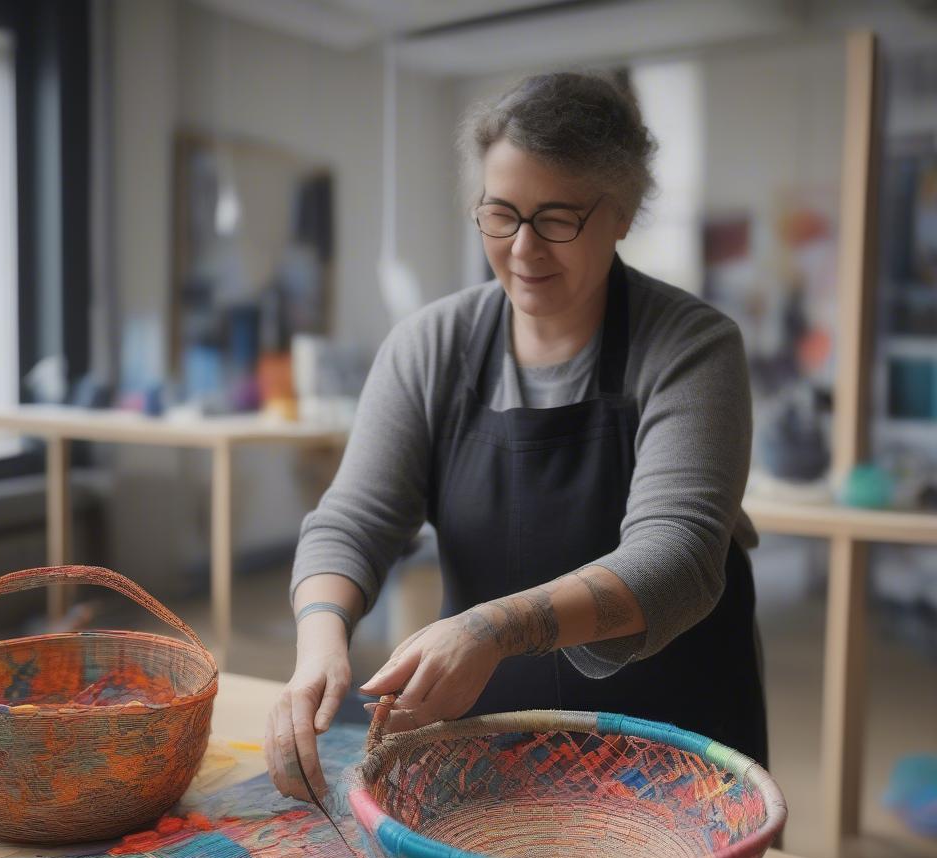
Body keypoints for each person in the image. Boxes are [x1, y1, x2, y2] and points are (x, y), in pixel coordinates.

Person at [265, 71, 767, 800]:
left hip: (670, 732)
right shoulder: (431, 346)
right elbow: (355, 519)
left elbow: (677, 557)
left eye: (558, 218)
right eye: (501, 215)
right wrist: (319, 648)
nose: (524, 249)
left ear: (622, 213)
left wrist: (492, 630)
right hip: (484, 724)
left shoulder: (691, 347)